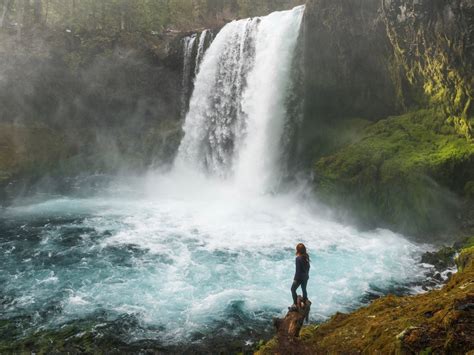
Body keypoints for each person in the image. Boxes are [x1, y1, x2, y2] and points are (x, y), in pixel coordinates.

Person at [290, 243, 310, 310]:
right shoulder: (306, 257)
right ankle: (304, 301)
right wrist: (306, 275)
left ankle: (295, 304)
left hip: (299, 277)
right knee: (304, 289)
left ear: (297, 250)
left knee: (293, 289)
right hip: (305, 277)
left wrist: (295, 279)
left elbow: (298, 270)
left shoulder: (298, 258)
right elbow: (308, 267)